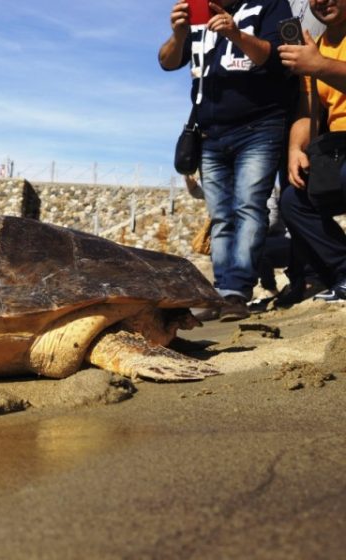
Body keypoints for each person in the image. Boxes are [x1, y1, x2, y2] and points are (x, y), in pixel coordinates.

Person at [159, 0, 295, 321]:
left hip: (259, 126)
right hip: (209, 133)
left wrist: (235, 33)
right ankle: (221, 291)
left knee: (249, 206)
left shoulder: (269, 5)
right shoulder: (198, 16)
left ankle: (237, 291)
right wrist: (179, 34)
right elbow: (166, 61)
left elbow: (276, 57)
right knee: (220, 217)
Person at [278, 0, 346, 303]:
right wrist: (295, 148)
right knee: (294, 199)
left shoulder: (316, 58)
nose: (321, 1)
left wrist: (321, 66)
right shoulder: (315, 47)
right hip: (338, 146)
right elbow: (308, 109)